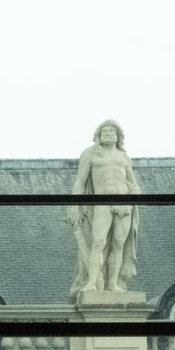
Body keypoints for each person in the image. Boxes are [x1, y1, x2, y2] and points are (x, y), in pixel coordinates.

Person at [70, 118, 143, 295]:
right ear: (99, 135)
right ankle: (92, 282)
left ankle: (112, 283)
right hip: (102, 201)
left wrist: (135, 191)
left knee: (118, 243)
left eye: (112, 131)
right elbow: (80, 182)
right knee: (98, 242)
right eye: (105, 131)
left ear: (118, 136)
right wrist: (74, 207)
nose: (108, 133)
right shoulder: (91, 154)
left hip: (123, 202)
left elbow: (133, 182)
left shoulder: (123, 157)